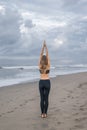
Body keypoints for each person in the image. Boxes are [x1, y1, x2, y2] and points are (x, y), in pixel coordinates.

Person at [38, 41, 51, 118]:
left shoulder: (40, 64)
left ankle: (42, 114)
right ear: (46, 59)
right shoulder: (48, 64)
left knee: (42, 98)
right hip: (47, 82)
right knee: (46, 98)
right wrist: (46, 47)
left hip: (41, 82)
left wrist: (42, 47)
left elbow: (40, 55)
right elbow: (47, 54)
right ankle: (45, 113)